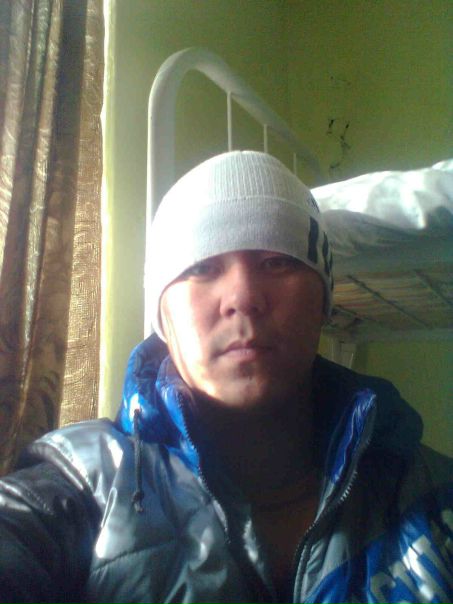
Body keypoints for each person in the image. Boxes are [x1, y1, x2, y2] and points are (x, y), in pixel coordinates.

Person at [0, 151, 452, 604]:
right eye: (201, 268)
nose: (244, 296)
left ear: (322, 300)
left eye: (277, 262)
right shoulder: (75, 489)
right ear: (162, 313)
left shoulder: (430, 493)